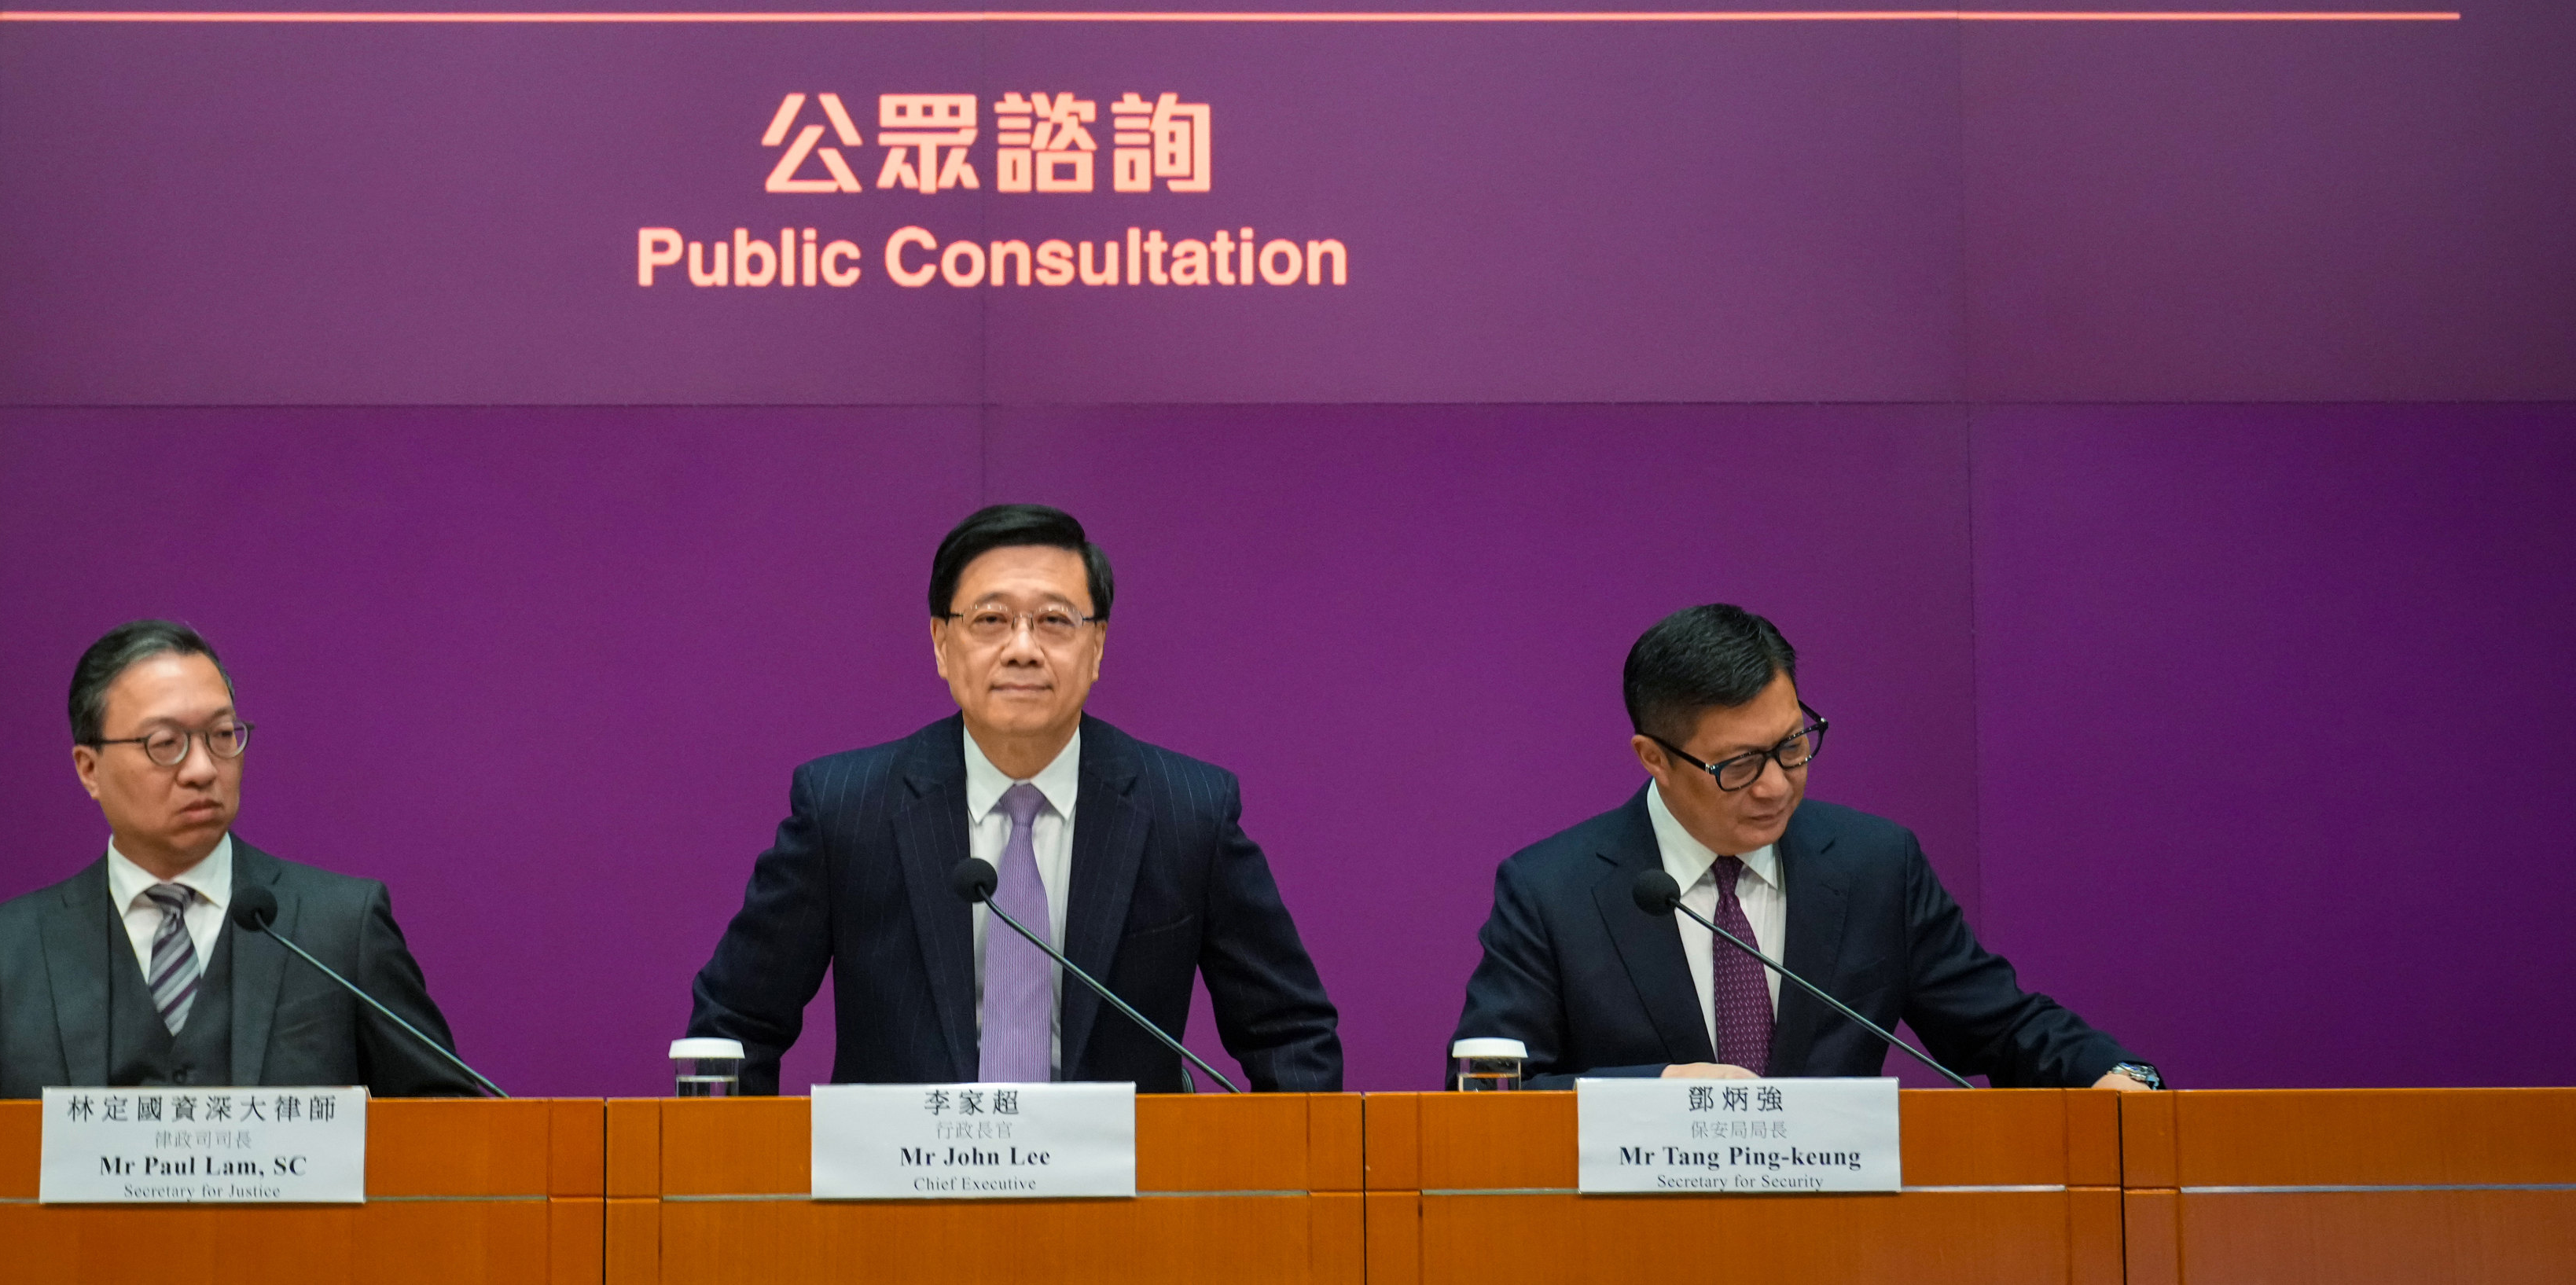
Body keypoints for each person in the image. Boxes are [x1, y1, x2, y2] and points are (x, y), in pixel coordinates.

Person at [687, 504, 1342, 1092]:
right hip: (901, 1202)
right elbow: (733, 1027)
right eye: (991, 620)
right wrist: (747, 1200)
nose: (1022, 649)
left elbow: (1290, 1035)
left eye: (1054, 621)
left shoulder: (1187, 811)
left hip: (1124, 1207)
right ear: (942, 644)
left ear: (1098, 645)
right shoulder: (845, 808)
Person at [1453, 603, 2160, 1090]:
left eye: (1792, 745)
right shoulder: (1552, 888)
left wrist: (2116, 1075)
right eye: (1736, 765)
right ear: (1653, 757)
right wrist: (1656, 1090)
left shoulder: (1874, 863)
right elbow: (1487, 1089)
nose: (1774, 787)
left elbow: (2001, 1025)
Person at [0, 620, 482, 1097]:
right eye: (165, 743)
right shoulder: (5, 953)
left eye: (220, 734)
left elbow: (446, 1127)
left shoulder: (339, 927)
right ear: (89, 768)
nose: (203, 769)